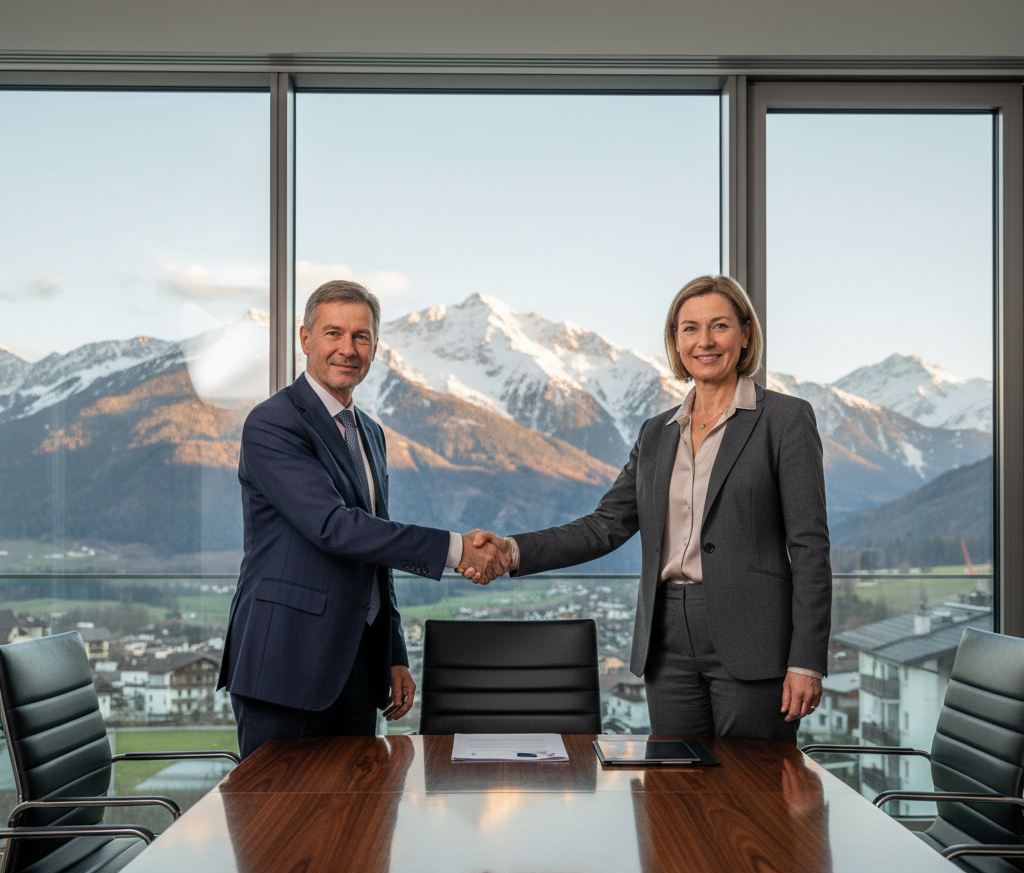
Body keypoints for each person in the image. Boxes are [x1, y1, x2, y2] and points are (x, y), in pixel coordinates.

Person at [473, 275, 831, 741]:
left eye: (719, 326)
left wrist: (806, 659)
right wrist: (512, 551)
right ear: (675, 341)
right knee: (675, 793)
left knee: (752, 794)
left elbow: (809, 548)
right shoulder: (657, 432)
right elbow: (604, 526)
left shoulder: (785, 419)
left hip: (753, 637)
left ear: (745, 334)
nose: (705, 341)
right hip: (667, 638)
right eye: (690, 329)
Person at [218, 280, 506, 758]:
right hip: (286, 666)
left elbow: (375, 552)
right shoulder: (274, 423)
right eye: (333, 334)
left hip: (355, 667)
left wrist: (391, 654)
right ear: (305, 339)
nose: (347, 349)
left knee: (357, 823)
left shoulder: (369, 432)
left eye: (362, 337)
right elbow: (335, 527)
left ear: (374, 346)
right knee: (275, 826)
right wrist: (456, 550)